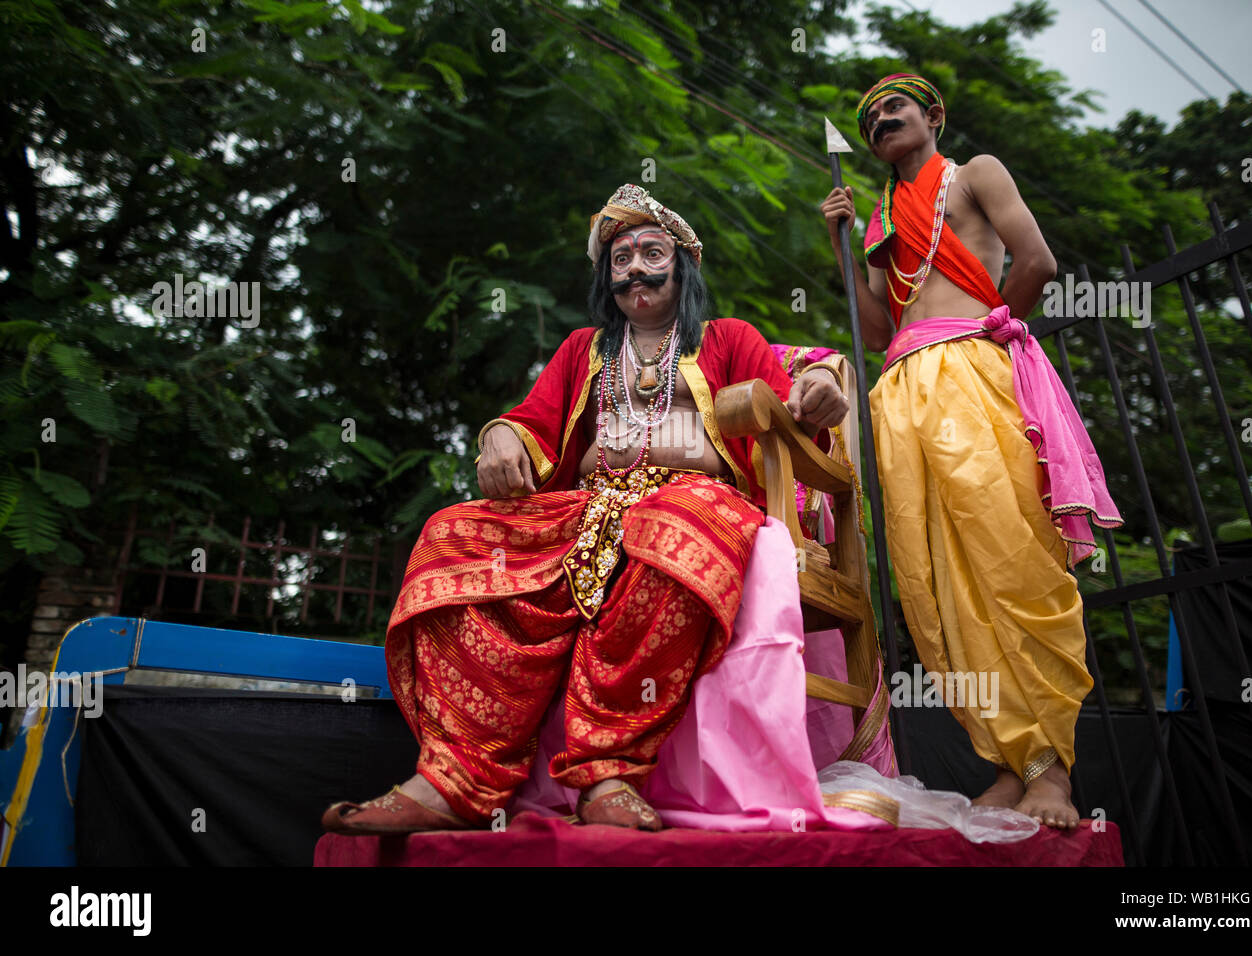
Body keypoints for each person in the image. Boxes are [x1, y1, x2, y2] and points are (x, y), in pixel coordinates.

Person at [322, 183, 849, 834]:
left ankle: (609, 771)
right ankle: (456, 778)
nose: (633, 268)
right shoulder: (583, 350)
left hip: (693, 504)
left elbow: (788, 405)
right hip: (581, 507)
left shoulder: (727, 337)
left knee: (673, 529)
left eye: (650, 252)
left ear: (682, 264)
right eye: (619, 259)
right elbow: (529, 421)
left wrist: (819, 386)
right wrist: (498, 438)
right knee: (448, 534)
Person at [819, 73, 1122, 829]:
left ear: (933, 116)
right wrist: (843, 246)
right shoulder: (883, 213)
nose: (881, 118)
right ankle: (1009, 767)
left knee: (1009, 559)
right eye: (869, 118)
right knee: (933, 586)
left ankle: (1053, 768)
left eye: (895, 106)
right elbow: (876, 328)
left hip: (972, 370)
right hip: (899, 389)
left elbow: (1038, 264)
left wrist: (986, 336)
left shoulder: (975, 172)